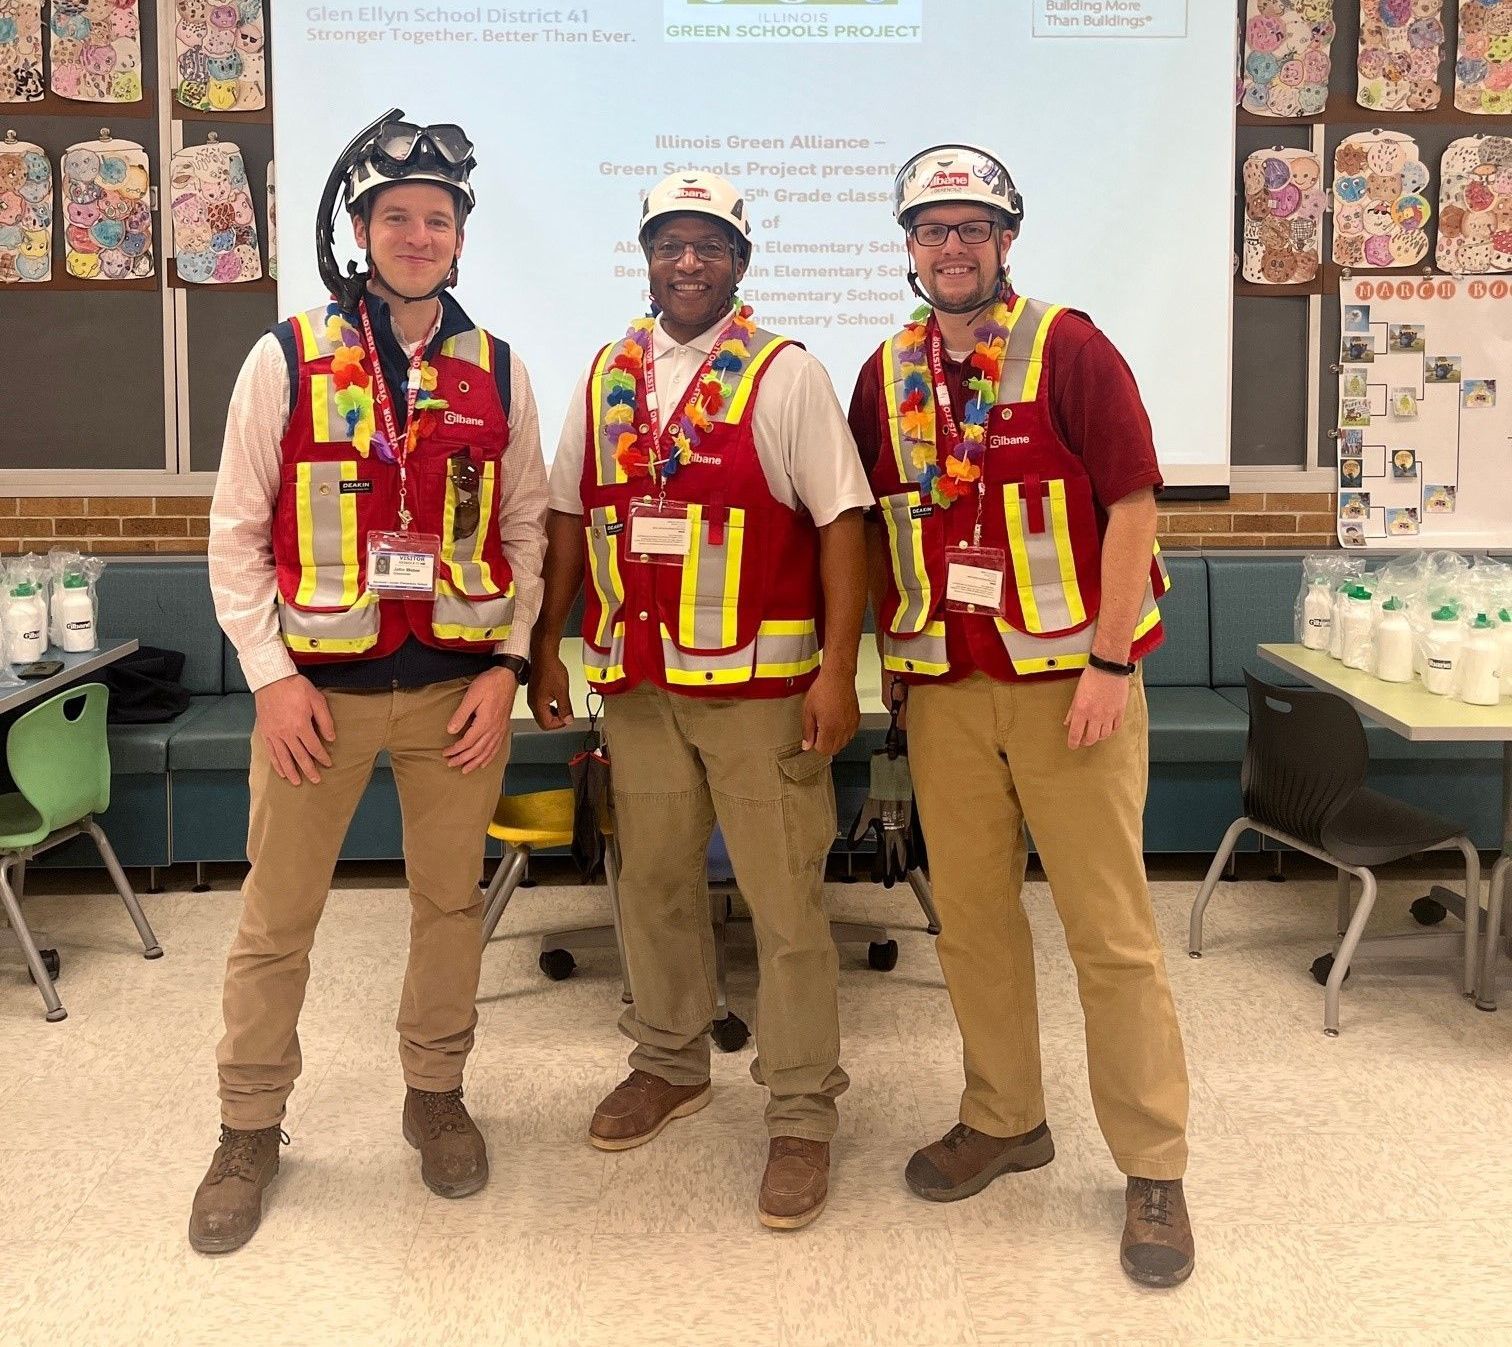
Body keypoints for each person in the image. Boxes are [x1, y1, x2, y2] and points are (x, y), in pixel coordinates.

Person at [192, 110, 547, 1253]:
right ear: (359, 229)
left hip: (455, 697)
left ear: (459, 238)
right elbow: (236, 532)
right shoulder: (284, 357)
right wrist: (269, 678)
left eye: (436, 219)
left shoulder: (498, 369)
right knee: (275, 920)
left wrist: (506, 667)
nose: (416, 234)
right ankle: (249, 1125)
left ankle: (436, 1094)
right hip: (317, 701)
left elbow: (529, 532)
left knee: (449, 909)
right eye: (396, 216)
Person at [847, 144, 1195, 1286]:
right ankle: (1005, 1118)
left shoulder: (1071, 349)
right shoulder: (884, 372)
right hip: (946, 694)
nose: (953, 247)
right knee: (975, 922)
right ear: (909, 249)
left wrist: (1108, 663)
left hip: (1070, 692)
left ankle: (1152, 1163)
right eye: (933, 229)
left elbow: (1134, 507)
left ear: (1006, 242)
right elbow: (871, 531)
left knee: (1110, 934)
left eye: (973, 228)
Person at [529, 171, 872, 1230]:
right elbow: (568, 522)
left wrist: (836, 673)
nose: (689, 261)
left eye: (709, 244)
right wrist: (547, 649)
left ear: (740, 261)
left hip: (761, 694)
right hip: (637, 687)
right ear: (646, 256)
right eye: (670, 243)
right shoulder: (605, 375)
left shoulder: (786, 375)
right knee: (656, 886)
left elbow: (842, 525)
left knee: (783, 905)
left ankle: (803, 1112)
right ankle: (670, 1062)